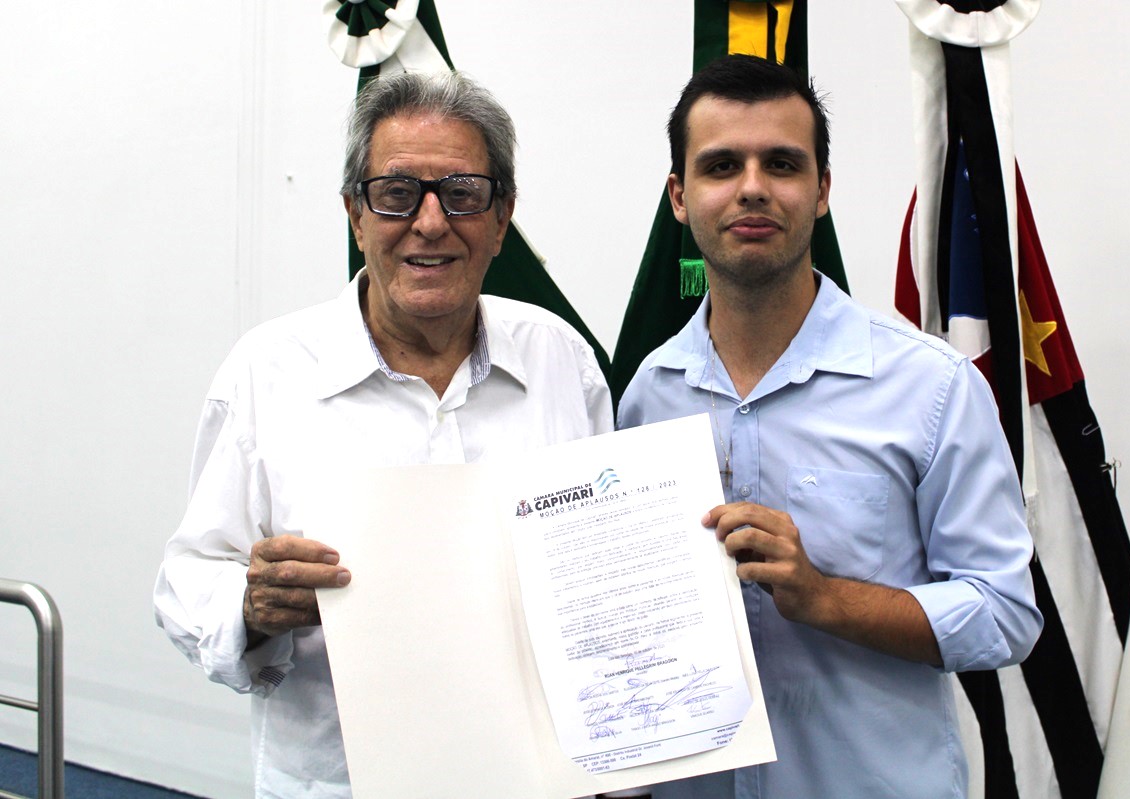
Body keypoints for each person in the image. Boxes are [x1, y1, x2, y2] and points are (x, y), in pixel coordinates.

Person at [154, 70, 612, 798]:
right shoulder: (266, 373)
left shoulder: (563, 360)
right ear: (355, 215)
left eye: (462, 193)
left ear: (501, 219)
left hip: (537, 780)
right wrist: (250, 604)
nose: (430, 223)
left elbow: (606, 565)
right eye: (397, 194)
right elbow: (186, 579)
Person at [617, 54, 1043, 798]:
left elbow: (1006, 614)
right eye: (722, 166)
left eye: (782, 163)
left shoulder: (931, 386)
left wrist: (825, 597)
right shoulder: (650, 393)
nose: (753, 186)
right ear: (680, 197)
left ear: (821, 191)